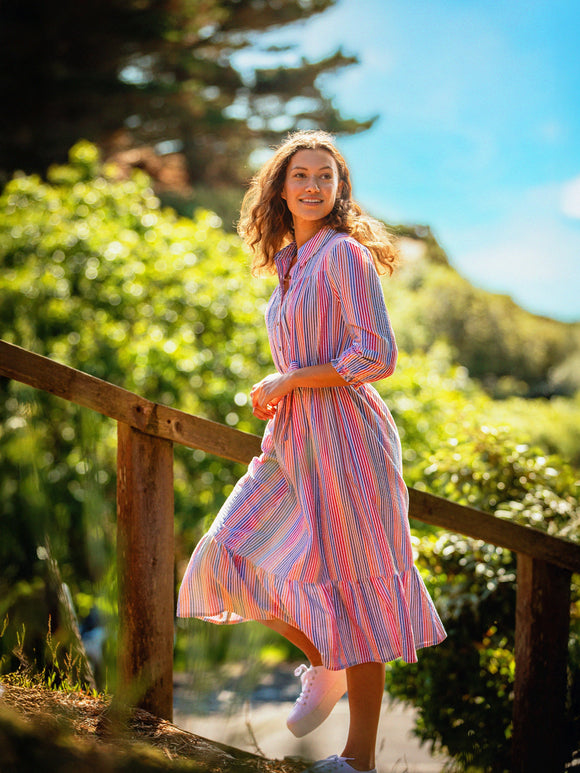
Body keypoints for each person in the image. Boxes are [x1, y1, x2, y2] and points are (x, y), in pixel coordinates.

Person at [177, 130, 446, 773]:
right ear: (280, 186)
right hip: (293, 442)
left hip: (349, 445)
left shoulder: (344, 254)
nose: (313, 186)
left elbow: (377, 355)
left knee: (358, 591)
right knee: (226, 554)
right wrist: (281, 386)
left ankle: (359, 761)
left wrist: (292, 379)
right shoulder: (289, 264)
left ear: (339, 188)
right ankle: (327, 661)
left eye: (326, 176)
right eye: (301, 174)